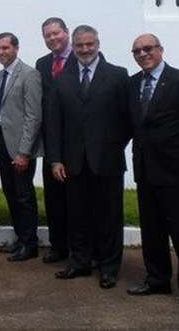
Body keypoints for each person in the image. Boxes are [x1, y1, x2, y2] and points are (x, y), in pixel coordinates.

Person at [126, 34, 179, 313]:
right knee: (152, 231)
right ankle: (157, 279)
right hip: (146, 172)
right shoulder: (133, 84)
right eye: (137, 51)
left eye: (147, 48)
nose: (142, 54)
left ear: (160, 49)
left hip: (177, 173)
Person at [47, 25, 130, 289]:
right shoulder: (62, 78)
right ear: (74, 44)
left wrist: (114, 145)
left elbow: (127, 119)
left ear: (97, 43)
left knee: (109, 217)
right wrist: (56, 159)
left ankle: (108, 267)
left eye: (89, 44)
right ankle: (80, 262)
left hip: (107, 161)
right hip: (73, 163)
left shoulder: (117, 76)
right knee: (77, 215)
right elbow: (54, 123)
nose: (85, 50)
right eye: (80, 45)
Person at [0, 32, 43, 262]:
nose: (1, 52)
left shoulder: (29, 75)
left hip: (21, 147)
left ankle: (30, 244)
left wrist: (24, 152)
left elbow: (33, 116)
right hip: (3, 142)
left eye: (5, 48)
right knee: (11, 193)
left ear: (16, 48)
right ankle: (20, 238)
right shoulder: (0, 75)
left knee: (23, 195)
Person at [35, 17, 76, 264]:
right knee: (54, 198)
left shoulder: (82, 57)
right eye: (48, 36)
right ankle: (58, 246)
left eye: (56, 33)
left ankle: (79, 248)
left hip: (75, 142)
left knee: (77, 199)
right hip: (51, 142)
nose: (53, 38)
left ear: (66, 33)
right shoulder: (42, 64)